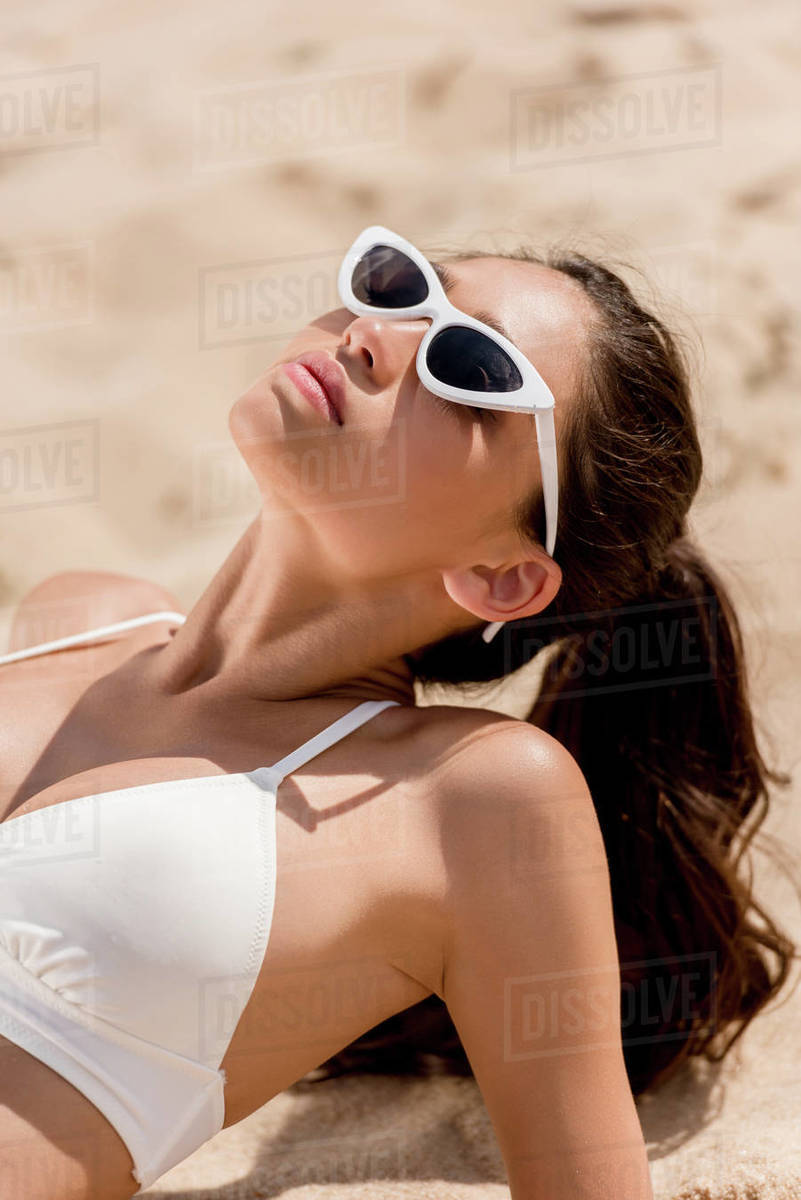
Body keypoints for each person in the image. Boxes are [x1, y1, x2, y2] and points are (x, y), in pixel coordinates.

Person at [0, 227, 791, 1200]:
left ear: (502, 576)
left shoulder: (465, 798)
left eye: (470, 366)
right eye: (400, 284)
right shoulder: (75, 616)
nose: (378, 337)